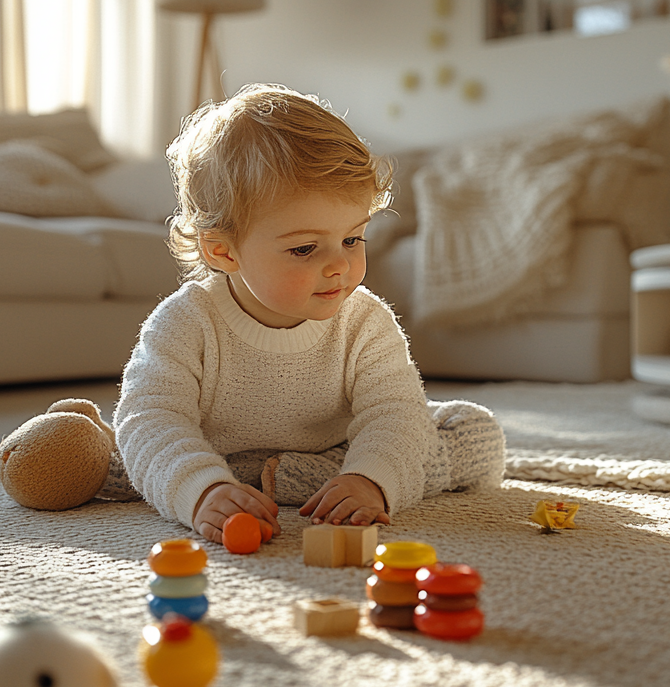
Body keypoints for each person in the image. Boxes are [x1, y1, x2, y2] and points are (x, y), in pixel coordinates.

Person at [103, 84, 505, 544]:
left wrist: (369, 480)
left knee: (471, 430)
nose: (339, 265)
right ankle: (254, 479)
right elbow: (151, 418)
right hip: (215, 452)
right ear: (223, 251)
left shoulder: (365, 322)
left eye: (352, 239)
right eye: (305, 248)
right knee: (121, 450)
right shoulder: (184, 323)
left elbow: (395, 412)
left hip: (336, 450)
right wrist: (204, 492)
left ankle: (301, 477)